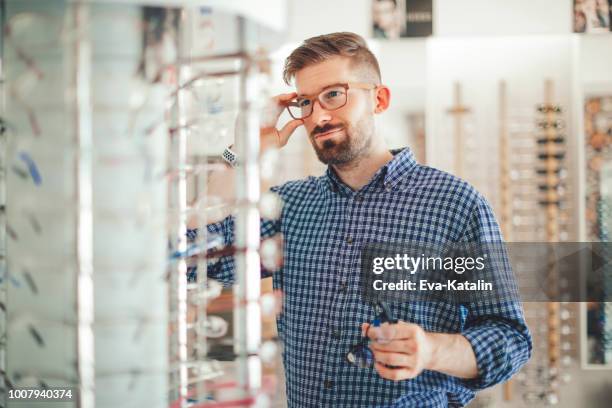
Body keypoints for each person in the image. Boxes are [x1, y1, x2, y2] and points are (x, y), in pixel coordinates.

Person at [198, 32, 531, 407]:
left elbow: (510, 339)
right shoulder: (288, 207)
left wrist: (431, 350)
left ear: (379, 99)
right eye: (305, 102)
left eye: (334, 94)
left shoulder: (455, 205)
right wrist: (240, 152)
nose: (319, 116)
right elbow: (193, 256)